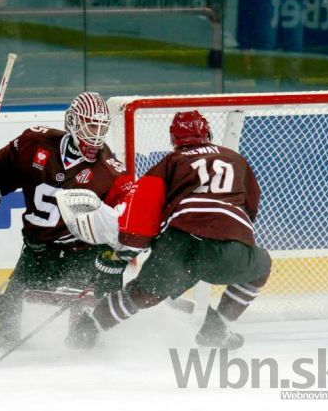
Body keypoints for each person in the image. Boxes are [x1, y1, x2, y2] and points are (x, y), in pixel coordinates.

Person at [66, 110, 272, 350]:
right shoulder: (235, 159)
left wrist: (126, 250)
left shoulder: (168, 163)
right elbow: (251, 206)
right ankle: (217, 328)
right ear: (208, 133)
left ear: (174, 139)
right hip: (226, 244)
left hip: (180, 241)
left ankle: (87, 331)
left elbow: (144, 213)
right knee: (261, 268)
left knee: (143, 293)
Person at [0, 91, 132, 346]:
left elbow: (125, 222)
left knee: (85, 335)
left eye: (102, 127)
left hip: (81, 253)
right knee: (5, 326)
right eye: (91, 125)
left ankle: (95, 328)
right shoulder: (34, 143)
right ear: (72, 122)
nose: (97, 135)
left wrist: (114, 261)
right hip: (37, 251)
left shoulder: (110, 172)